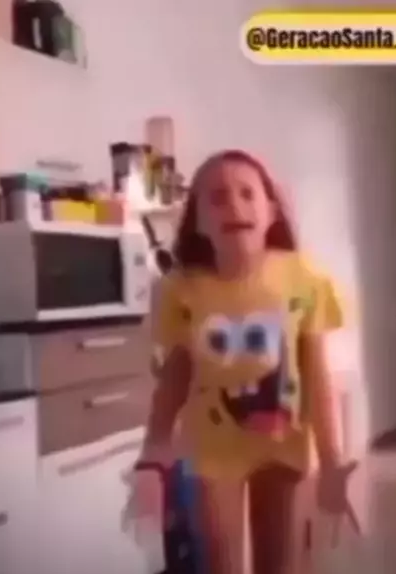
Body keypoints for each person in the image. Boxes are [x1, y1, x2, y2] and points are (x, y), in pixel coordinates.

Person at [133, 149, 358, 574]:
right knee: (220, 561)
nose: (234, 206)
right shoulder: (182, 291)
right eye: (217, 198)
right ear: (198, 222)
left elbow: (317, 375)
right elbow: (175, 378)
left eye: (246, 193)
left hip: (283, 442)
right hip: (212, 447)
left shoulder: (303, 279)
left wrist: (331, 461)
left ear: (270, 211)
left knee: (280, 561)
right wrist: (154, 449)